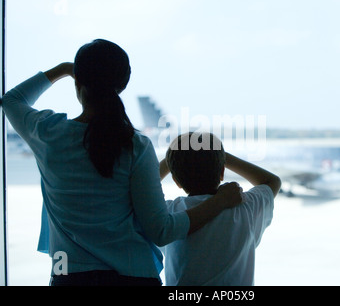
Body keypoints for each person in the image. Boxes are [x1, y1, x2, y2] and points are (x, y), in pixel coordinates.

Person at [1, 39, 242, 286]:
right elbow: (162, 231)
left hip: (69, 277)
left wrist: (63, 69)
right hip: (133, 278)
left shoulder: (47, 133)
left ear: (78, 82)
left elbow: (11, 100)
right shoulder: (136, 145)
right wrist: (220, 201)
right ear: (121, 85)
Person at [160, 132, 281, 285]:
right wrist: (222, 156)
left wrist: (172, 158)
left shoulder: (169, 213)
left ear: (176, 180)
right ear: (222, 172)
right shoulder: (244, 206)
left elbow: (140, 192)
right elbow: (272, 181)